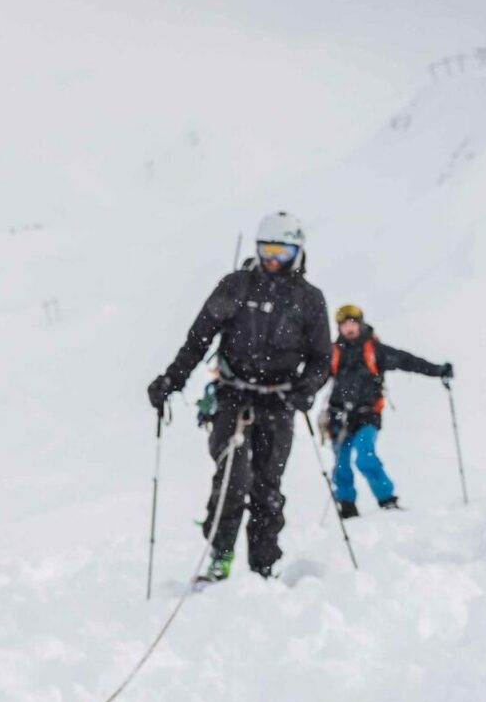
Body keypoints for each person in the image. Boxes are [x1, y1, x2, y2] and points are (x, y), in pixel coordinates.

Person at [147, 211, 330, 581]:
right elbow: (199, 338)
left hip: (279, 403)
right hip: (233, 398)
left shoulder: (308, 299)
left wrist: (306, 390)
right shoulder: (236, 286)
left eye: (282, 252)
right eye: (267, 250)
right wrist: (172, 379)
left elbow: (322, 358)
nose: (273, 260)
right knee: (233, 476)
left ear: (298, 252)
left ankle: (263, 564)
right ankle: (221, 553)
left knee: (267, 488)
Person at [324, 303, 453, 517]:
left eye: (353, 323)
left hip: (367, 415)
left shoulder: (376, 351)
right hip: (339, 416)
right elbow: (316, 379)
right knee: (340, 464)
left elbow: (408, 361)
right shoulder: (333, 353)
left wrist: (438, 370)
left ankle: (387, 499)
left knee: (365, 455)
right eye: (344, 324)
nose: (349, 329)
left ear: (361, 324)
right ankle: (346, 506)